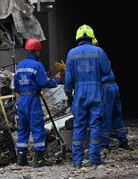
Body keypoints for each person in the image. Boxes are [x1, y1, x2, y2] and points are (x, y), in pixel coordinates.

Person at [64, 24, 111, 168]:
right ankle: (94, 159)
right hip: (95, 91)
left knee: (79, 125)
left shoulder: (71, 53)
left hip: (79, 93)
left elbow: (68, 78)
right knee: (96, 125)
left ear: (78, 37)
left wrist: (68, 93)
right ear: (91, 36)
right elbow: (107, 70)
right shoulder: (98, 51)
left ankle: (77, 161)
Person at [14, 38, 60, 167]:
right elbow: (43, 82)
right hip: (32, 100)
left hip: (22, 99)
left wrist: (27, 90)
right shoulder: (37, 65)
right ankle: (39, 159)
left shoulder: (20, 65)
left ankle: (21, 159)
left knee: (23, 128)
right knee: (37, 127)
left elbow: (16, 85)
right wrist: (56, 80)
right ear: (36, 51)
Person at [92, 39, 129, 150]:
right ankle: (123, 140)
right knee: (116, 115)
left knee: (105, 116)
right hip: (113, 86)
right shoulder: (102, 55)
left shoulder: (94, 57)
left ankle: (104, 144)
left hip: (106, 88)